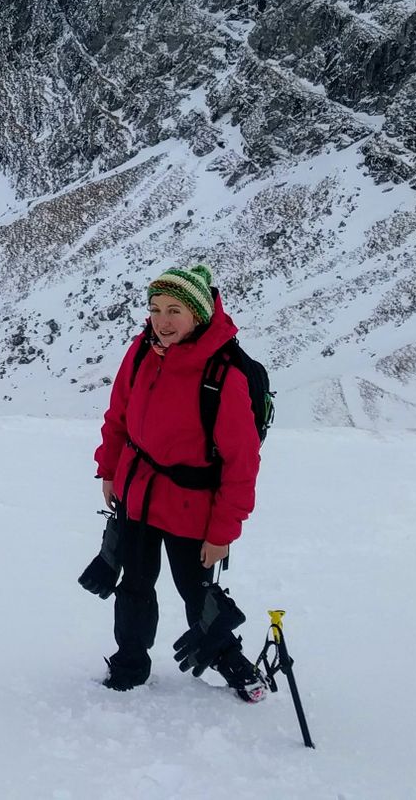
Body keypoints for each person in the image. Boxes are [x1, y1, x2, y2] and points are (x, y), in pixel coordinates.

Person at [92, 262, 267, 700]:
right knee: (133, 585)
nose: (162, 321)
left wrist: (224, 531)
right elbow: (119, 418)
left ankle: (235, 666)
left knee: (197, 593)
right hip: (137, 493)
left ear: (199, 315)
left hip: (193, 506)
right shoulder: (141, 351)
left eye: (175, 310)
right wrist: (110, 470)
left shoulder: (223, 374)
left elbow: (241, 462)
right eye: (155, 309)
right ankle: (129, 666)